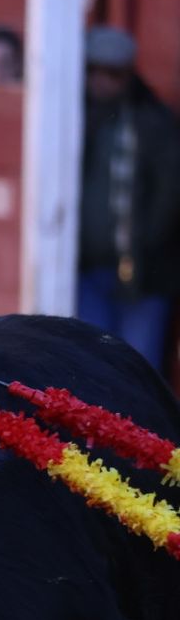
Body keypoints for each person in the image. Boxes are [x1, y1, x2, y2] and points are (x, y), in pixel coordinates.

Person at [75, 26, 180, 372]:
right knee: (90, 365)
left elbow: (169, 195)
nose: (101, 81)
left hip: (143, 271)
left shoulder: (153, 123)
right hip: (87, 267)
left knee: (138, 367)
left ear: (128, 75)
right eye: (93, 70)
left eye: (113, 73)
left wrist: (144, 245)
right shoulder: (68, 119)